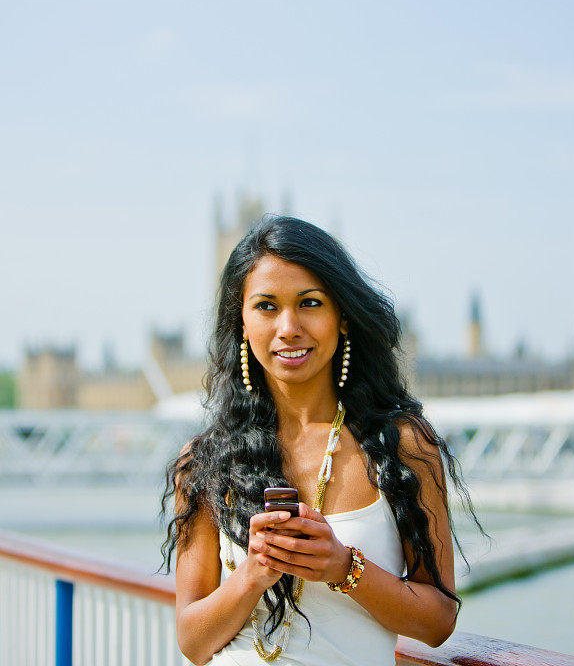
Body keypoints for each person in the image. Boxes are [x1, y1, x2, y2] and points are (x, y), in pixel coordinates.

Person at [159, 214, 487, 665]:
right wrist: (254, 573)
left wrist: (342, 566)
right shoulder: (203, 462)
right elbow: (193, 643)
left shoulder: (402, 446)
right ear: (243, 322)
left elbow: (437, 623)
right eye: (266, 306)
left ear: (342, 317)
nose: (288, 327)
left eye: (310, 303)